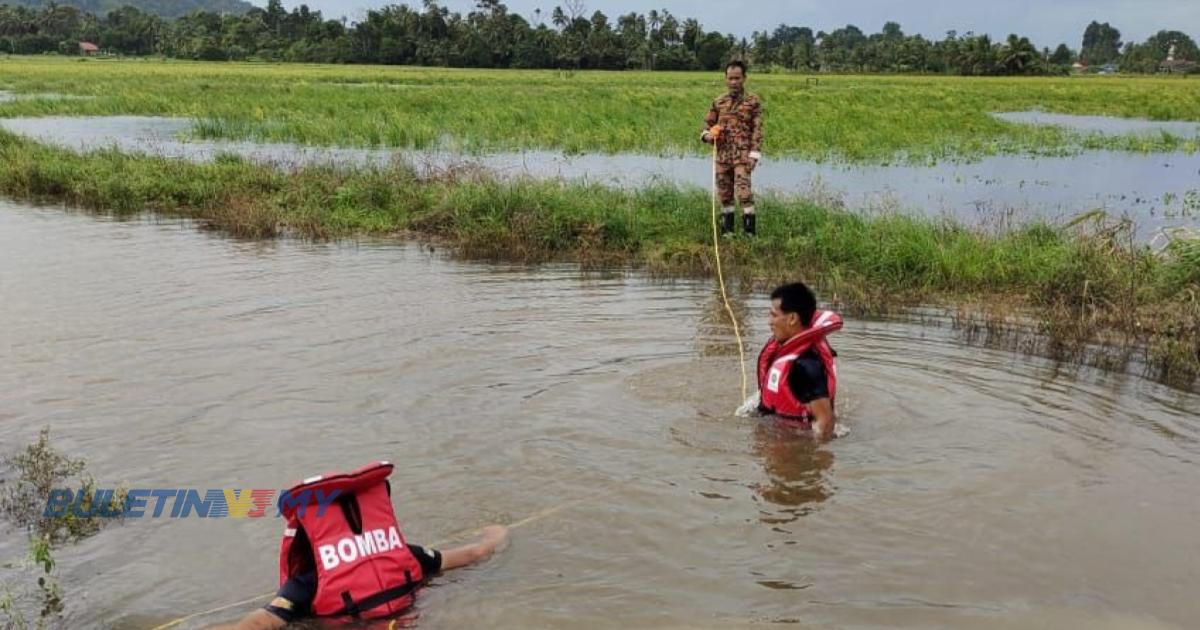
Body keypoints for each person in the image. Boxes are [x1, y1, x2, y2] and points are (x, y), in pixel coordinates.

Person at [209, 461, 508, 630]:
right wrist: (497, 535)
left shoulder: (306, 584)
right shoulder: (406, 555)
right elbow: (473, 554)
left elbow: (260, 623)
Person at [756, 282, 842, 441]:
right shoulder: (787, 352)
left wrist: (812, 459)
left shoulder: (806, 366)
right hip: (777, 434)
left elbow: (826, 422)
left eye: (773, 315)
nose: (769, 321)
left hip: (790, 445)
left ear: (792, 318)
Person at [701, 60, 764, 236]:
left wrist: (754, 155)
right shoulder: (719, 102)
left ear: (744, 78)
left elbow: (757, 130)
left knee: (744, 193)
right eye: (730, 78)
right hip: (722, 156)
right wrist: (708, 135)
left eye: (737, 78)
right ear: (726, 79)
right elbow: (706, 127)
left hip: (743, 157)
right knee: (724, 194)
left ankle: (749, 234)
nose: (734, 82)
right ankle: (727, 233)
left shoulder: (753, 102)